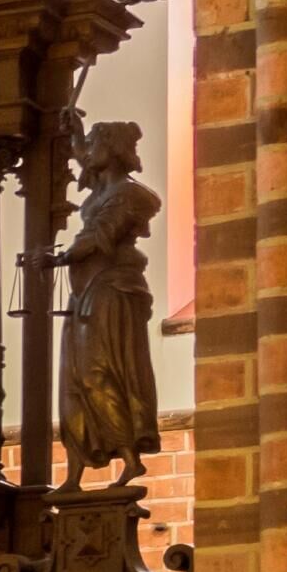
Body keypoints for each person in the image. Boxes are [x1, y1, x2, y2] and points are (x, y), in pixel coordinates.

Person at [60, 120, 164, 486]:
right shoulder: (103, 189)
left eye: (93, 143)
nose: (87, 151)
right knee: (72, 379)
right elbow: (87, 162)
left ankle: (129, 456)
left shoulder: (133, 196)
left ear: (113, 148)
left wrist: (60, 258)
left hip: (111, 292)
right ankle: (74, 472)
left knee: (98, 373)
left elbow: (103, 234)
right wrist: (74, 134)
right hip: (83, 292)